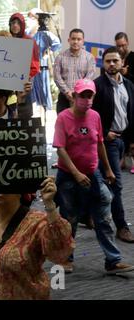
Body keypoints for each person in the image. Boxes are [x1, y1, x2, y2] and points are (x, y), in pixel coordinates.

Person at [54, 78, 134, 274]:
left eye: (90, 96)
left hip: (93, 174)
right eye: (83, 95)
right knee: (68, 220)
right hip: (68, 176)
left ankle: (113, 261)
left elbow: (99, 144)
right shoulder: (63, 118)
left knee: (103, 218)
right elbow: (60, 149)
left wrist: (107, 169)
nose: (87, 99)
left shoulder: (95, 116)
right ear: (74, 96)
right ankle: (65, 259)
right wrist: (76, 173)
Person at [92, 46, 134, 243]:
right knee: (116, 184)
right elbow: (90, 116)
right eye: (107, 61)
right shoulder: (97, 86)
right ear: (103, 63)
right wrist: (103, 133)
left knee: (101, 182)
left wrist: (131, 140)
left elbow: (131, 114)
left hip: (123, 139)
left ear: (122, 63)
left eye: (115, 61)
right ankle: (122, 226)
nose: (111, 64)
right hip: (107, 141)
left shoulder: (129, 85)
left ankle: (85, 212)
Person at [53, 29, 96, 115]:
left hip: (82, 98)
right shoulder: (60, 57)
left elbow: (89, 78)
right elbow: (57, 77)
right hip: (64, 97)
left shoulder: (89, 58)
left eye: (79, 39)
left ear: (83, 41)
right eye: (73, 39)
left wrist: (78, 93)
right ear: (69, 40)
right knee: (63, 125)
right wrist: (67, 92)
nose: (75, 42)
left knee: (81, 126)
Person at [31, 12, 62, 123]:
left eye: (44, 20)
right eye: (41, 20)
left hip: (44, 67)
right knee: (38, 91)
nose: (42, 22)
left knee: (44, 91)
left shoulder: (46, 35)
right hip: (36, 68)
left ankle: (45, 118)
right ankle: (41, 118)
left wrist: (48, 52)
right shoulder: (36, 35)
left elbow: (58, 43)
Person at [9, 13, 40, 118]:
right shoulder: (6, 40)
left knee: (24, 114)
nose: (15, 25)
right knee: (8, 113)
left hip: (24, 83)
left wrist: (24, 77)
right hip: (7, 83)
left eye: (18, 23)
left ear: (22, 25)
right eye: (13, 23)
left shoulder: (30, 41)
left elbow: (35, 65)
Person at [114, 32, 134, 173]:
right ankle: (121, 160)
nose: (121, 48)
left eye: (123, 45)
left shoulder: (133, 57)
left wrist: (128, 74)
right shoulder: (114, 58)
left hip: (133, 97)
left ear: (127, 43)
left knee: (133, 129)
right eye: (118, 45)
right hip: (119, 98)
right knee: (121, 129)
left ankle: (132, 161)